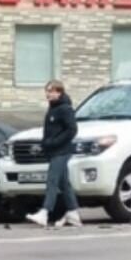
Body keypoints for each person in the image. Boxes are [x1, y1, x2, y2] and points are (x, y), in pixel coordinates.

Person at [26, 80, 83, 228]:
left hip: (62, 151)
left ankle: (45, 212)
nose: (48, 94)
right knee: (64, 183)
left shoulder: (65, 109)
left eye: (51, 91)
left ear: (59, 92)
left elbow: (72, 130)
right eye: (47, 91)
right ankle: (73, 212)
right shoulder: (53, 108)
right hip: (54, 151)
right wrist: (45, 144)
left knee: (52, 180)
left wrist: (55, 142)